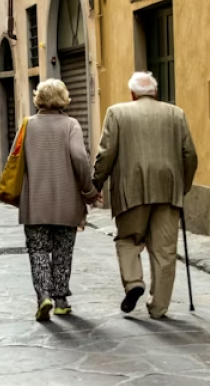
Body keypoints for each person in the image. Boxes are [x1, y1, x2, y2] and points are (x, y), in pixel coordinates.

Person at [93, 71, 198, 319]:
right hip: (168, 191)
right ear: (155, 92)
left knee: (128, 240)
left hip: (131, 190)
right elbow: (190, 155)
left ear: (132, 94)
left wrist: (96, 183)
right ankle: (159, 307)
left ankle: (134, 282)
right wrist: (183, 186)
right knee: (165, 251)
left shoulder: (116, 113)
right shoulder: (176, 114)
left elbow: (106, 154)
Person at [20, 79, 99, 321]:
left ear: (39, 98)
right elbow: (80, 157)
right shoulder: (71, 125)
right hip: (67, 202)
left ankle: (43, 296)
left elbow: (14, 160)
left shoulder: (27, 125)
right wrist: (89, 191)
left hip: (35, 203)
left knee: (38, 251)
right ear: (63, 98)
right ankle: (61, 300)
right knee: (63, 251)